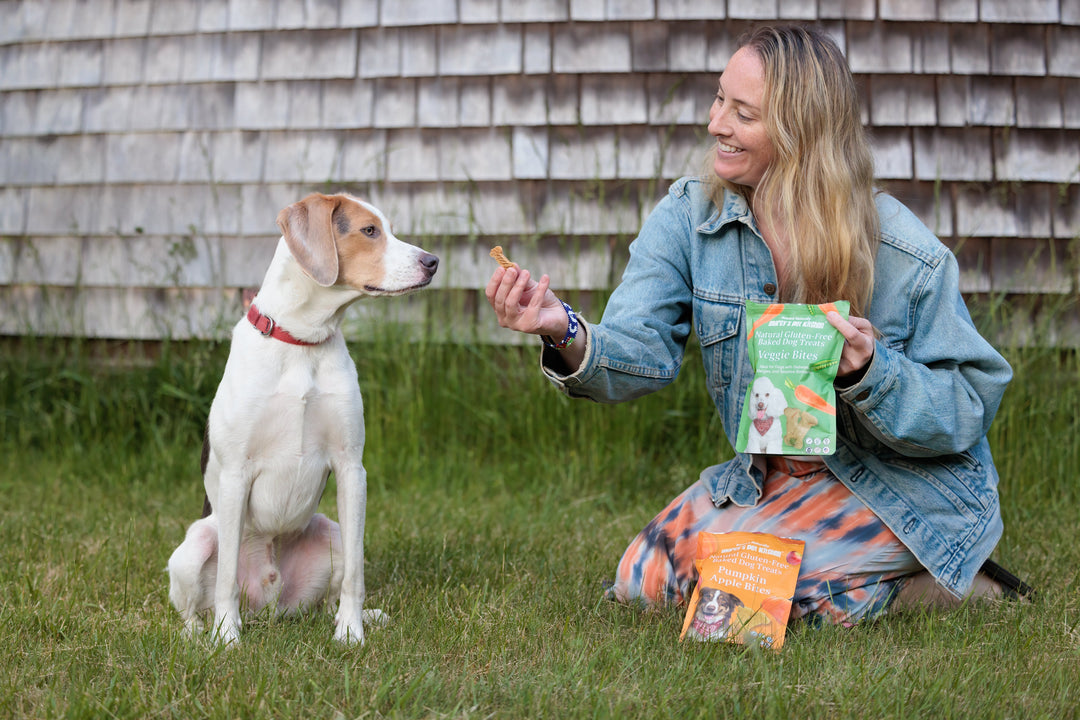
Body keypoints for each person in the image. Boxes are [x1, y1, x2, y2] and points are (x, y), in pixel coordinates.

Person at [485, 24, 1029, 625]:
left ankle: (958, 585)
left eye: (743, 113)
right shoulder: (689, 217)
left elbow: (967, 407)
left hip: (900, 488)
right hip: (769, 477)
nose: (716, 123)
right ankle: (868, 578)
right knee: (647, 579)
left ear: (802, 134)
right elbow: (637, 353)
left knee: (747, 602)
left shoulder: (902, 252)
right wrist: (560, 326)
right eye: (720, 99)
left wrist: (875, 372)